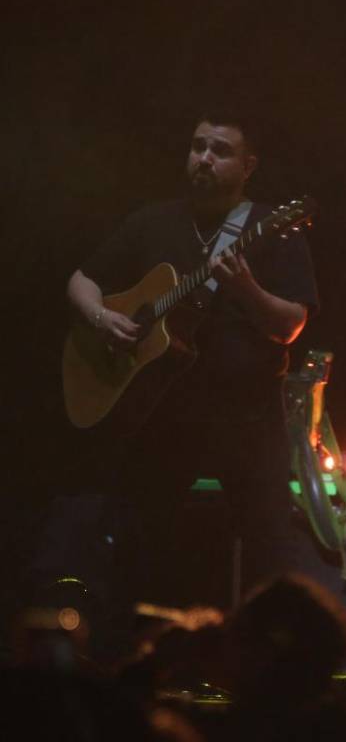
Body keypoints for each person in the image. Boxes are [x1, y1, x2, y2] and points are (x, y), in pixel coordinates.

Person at [62, 110, 319, 609]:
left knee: (268, 548)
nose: (203, 157)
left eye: (219, 150)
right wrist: (101, 319)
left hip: (246, 414)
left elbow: (290, 326)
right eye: (198, 146)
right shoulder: (152, 222)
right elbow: (80, 280)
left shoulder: (272, 227)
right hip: (163, 411)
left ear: (249, 165)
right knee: (139, 544)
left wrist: (245, 290)